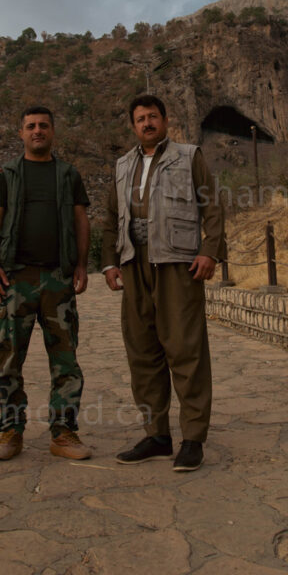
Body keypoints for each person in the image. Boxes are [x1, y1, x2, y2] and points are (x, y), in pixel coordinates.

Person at [102, 94, 224, 472]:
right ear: (133, 125)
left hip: (177, 263)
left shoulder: (189, 157)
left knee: (185, 348)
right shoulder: (123, 165)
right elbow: (110, 217)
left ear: (165, 120)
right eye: (140, 119)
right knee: (142, 351)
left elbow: (213, 206)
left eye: (152, 117)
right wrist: (108, 262)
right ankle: (156, 435)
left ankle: (192, 438)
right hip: (134, 263)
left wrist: (210, 251)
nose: (147, 123)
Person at [0, 105, 92, 461]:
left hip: (58, 279)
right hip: (16, 279)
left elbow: (80, 221)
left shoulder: (67, 175)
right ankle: (11, 432)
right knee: (9, 359)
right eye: (30, 126)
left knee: (66, 360)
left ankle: (64, 433)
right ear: (21, 133)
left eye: (44, 125)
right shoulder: (6, 175)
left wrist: (81, 265)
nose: (37, 131)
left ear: (53, 131)